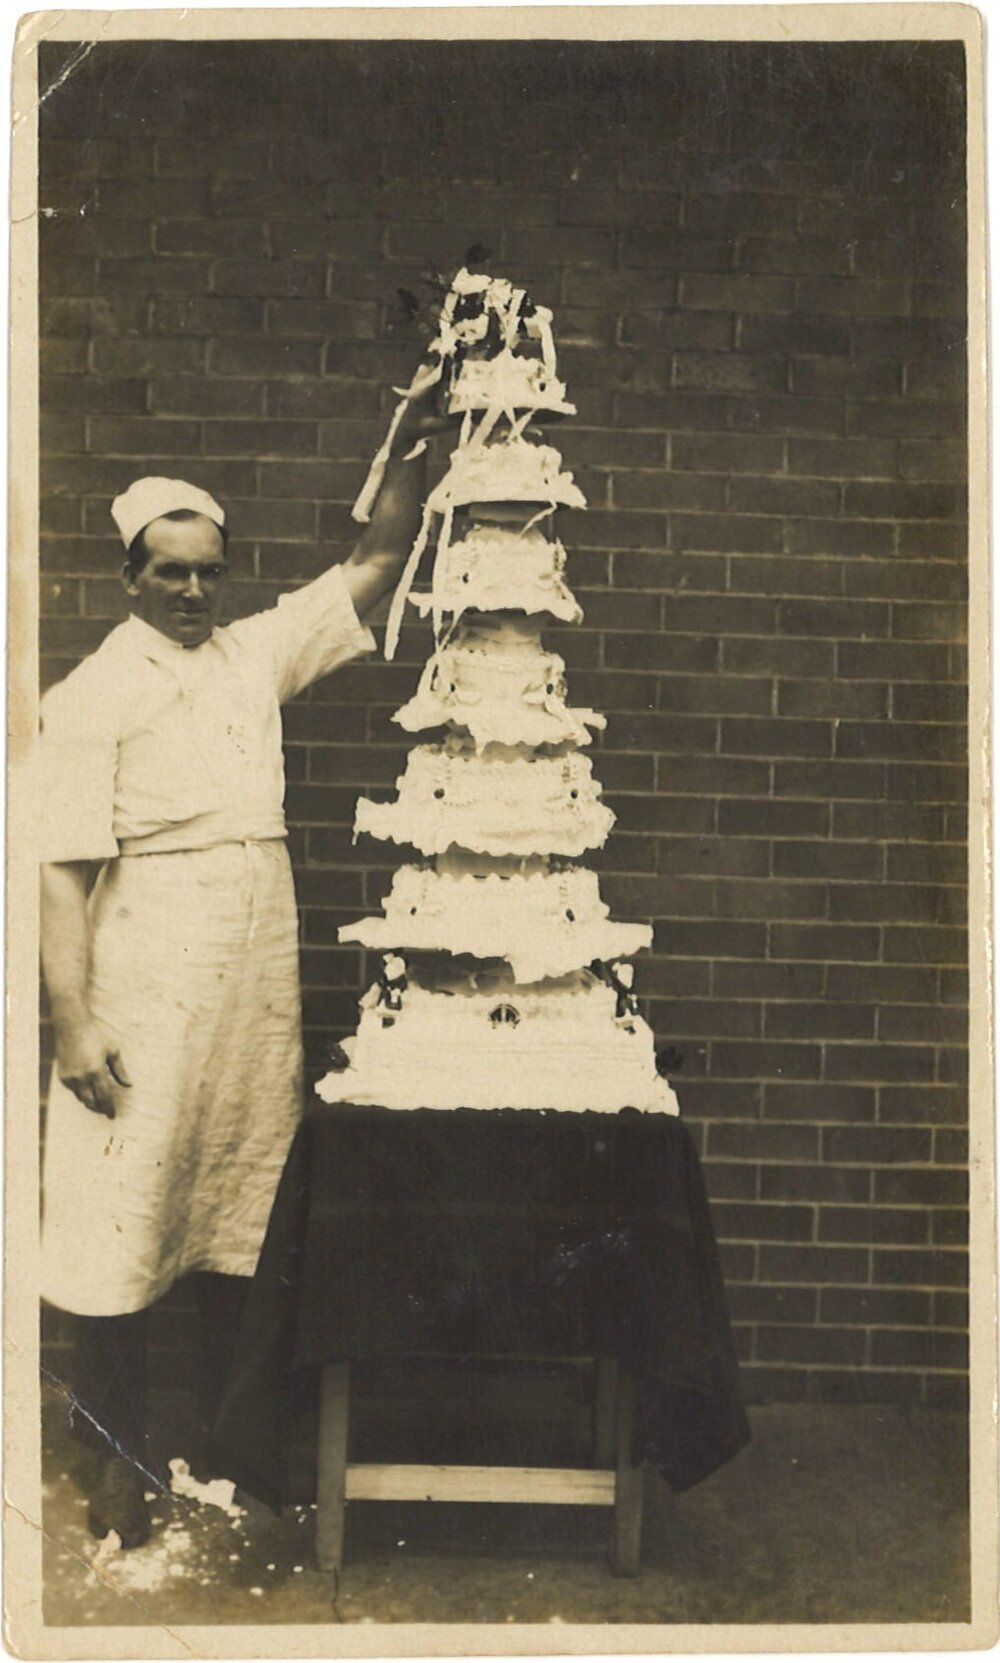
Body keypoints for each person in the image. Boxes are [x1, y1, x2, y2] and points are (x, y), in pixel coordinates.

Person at [39, 391, 434, 1549]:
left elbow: (374, 562)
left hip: (251, 983)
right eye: (171, 573)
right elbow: (59, 873)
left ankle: (227, 1444)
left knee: (236, 1208)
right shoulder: (88, 696)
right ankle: (112, 1455)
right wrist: (73, 1022)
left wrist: (409, 450)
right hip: (144, 978)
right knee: (124, 1213)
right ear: (130, 577)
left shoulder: (251, 656)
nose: (194, 591)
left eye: (210, 571)